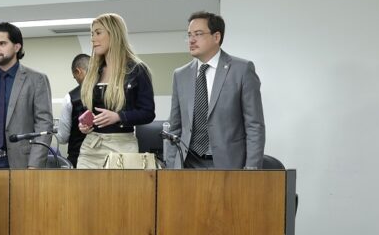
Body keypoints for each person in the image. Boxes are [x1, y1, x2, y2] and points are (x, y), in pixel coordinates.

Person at [166, 11, 265, 169]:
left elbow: (254, 126)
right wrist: (171, 167)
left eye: (198, 34)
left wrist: (251, 169)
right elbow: (175, 127)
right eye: (189, 35)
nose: (191, 40)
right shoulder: (180, 75)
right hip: (187, 165)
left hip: (228, 165)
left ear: (216, 37)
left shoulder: (242, 70)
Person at [0, 22, 53, 169]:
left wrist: (34, 165)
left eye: (2, 43)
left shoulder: (36, 79)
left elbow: (44, 125)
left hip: (24, 164)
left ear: (17, 47)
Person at [75, 13, 155, 169]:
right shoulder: (93, 72)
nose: (93, 39)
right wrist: (83, 124)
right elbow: (85, 110)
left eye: (98, 33)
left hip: (122, 148)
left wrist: (119, 117)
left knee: (118, 186)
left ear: (114, 34)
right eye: (92, 34)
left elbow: (148, 113)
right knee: (83, 185)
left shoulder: (137, 70)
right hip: (91, 147)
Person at [55, 53, 89, 167]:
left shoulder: (70, 98)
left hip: (79, 159)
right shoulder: (108, 92)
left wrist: (51, 130)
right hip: (108, 159)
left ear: (78, 71)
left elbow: (63, 138)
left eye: (75, 77)